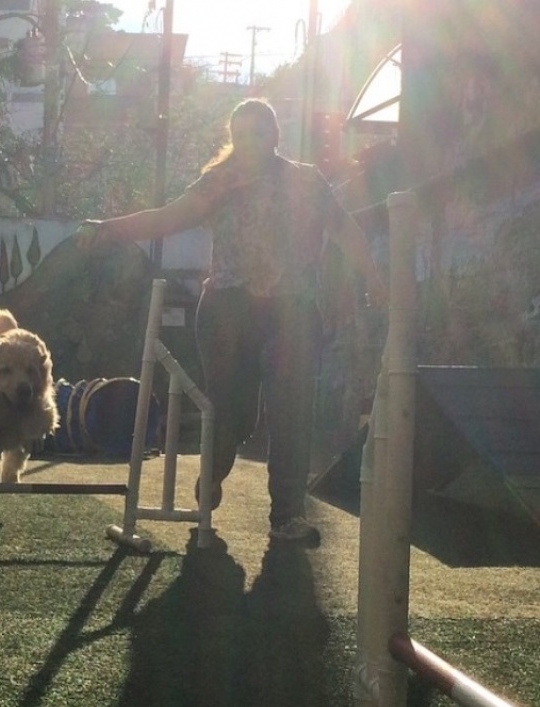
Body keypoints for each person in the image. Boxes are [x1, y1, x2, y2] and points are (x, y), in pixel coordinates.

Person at [76, 97, 387, 544]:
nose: (248, 143)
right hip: (228, 309)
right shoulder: (219, 182)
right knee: (235, 413)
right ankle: (213, 474)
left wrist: (373, 279)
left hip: (292, 311)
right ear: (232, 139)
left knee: (291, 411)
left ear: (275, 136)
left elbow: (344, 229)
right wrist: (108, 227)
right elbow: (168, 218)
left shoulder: (306, 181)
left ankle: (286, 516)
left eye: (257, 133)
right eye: (239, 135)